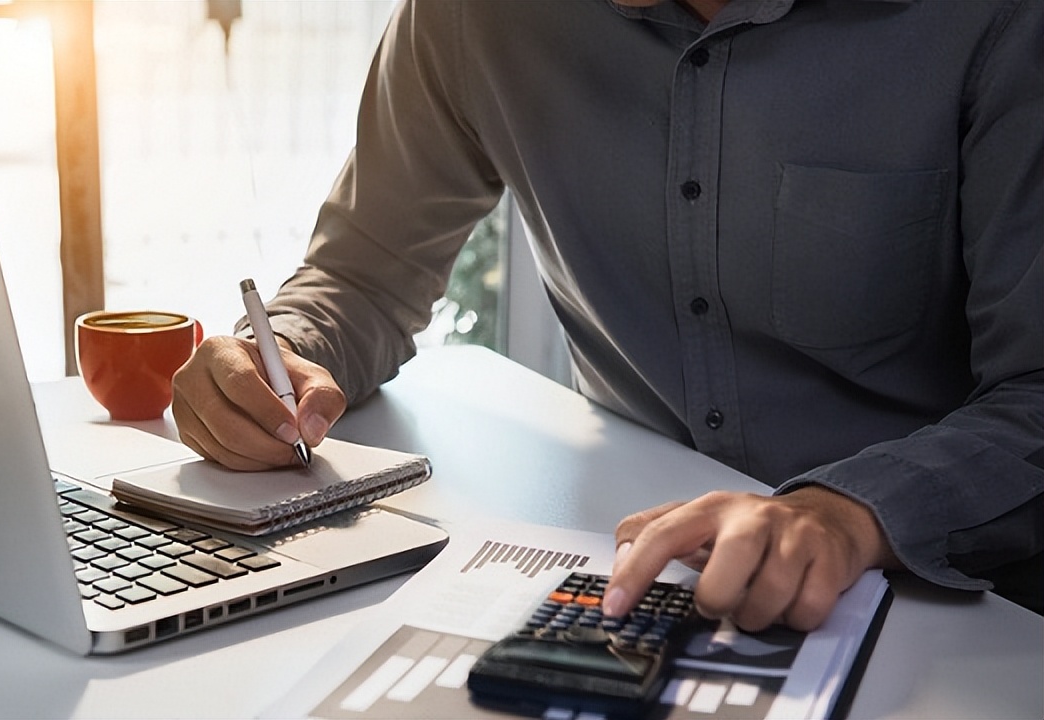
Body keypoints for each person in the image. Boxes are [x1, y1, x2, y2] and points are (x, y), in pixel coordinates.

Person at [172, 0, 1043, 631]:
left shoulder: (994, 24)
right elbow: (362, 273)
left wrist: (846, 514)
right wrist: (278, 354)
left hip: (955, 607)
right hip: (614, 570)